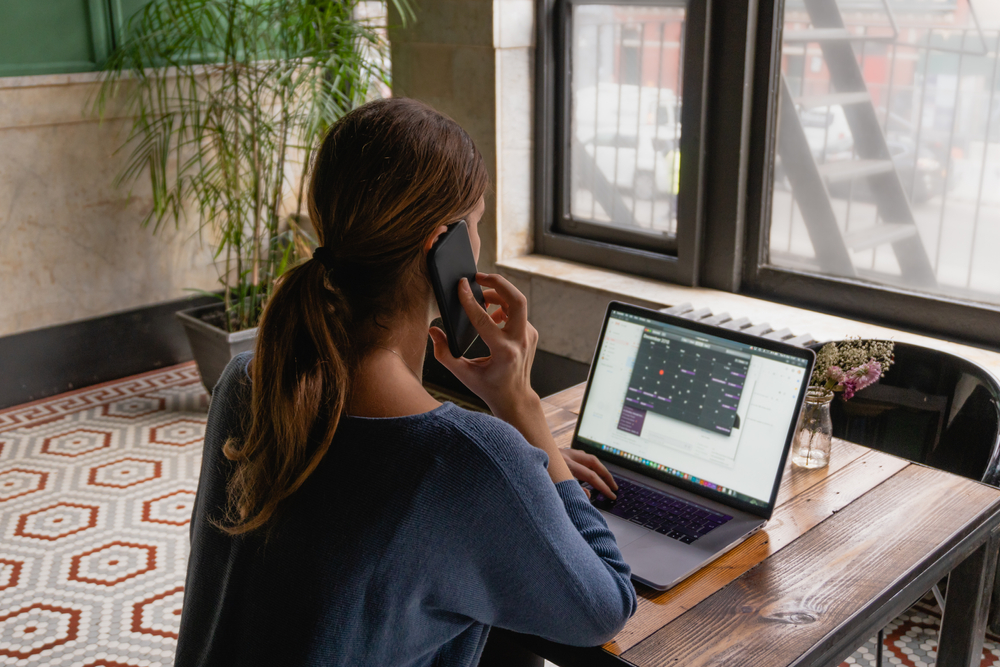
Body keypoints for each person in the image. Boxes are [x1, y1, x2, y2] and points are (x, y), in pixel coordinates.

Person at [173, 97, 637, 667]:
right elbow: (604, 607)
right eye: (477, 224)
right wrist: (522, 410)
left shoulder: (249, 383)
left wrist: (528, 475)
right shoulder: (469, 459)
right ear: (443, 247)